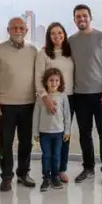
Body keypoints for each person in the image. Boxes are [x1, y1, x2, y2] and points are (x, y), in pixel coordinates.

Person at [44, 4, 102, 186]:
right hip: (79, 95)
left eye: (84, 15)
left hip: (101, 94)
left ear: (90, 17)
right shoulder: (71, 41)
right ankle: (88, 168)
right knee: (84, 134)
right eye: (78, 16)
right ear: (74, 20)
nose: (81, 19)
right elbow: (59, 57)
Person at [0, 17, 37, 192]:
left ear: (26, 31)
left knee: (26, 142)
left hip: (29, 104)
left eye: (21, 28)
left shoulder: (33, 50)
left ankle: (23, 173)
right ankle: (6, 176)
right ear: (8, 30)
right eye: (14, 28)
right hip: (5, 105)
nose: (18, 31)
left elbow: (39, 76)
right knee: (5, 143)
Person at [35, 22, 75, 183]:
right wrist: (45, 99)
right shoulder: (43, 53)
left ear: (64, 34)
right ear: (48, 36)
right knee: (50, 135)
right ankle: (48, 172)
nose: (57, 36)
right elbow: (38, 78)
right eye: (53, 33)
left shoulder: (69, 52)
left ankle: (60, 170)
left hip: (68, 97)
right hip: (50, 98)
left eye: (60, 32)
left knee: (64, 135)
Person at [33, 67, 71, 192]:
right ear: (46, 82)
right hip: (44, 133)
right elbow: (36, 116)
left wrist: (67, 131)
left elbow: (67, 115)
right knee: (46, 156)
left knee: (56, 155)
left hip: (59, 132)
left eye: (56, 80)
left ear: (60, 82)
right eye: (51, 80)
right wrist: (35, 132)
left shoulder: (63, 97)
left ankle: (56, 176)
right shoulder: (41, 98)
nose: (54, 83)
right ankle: (46, 178)